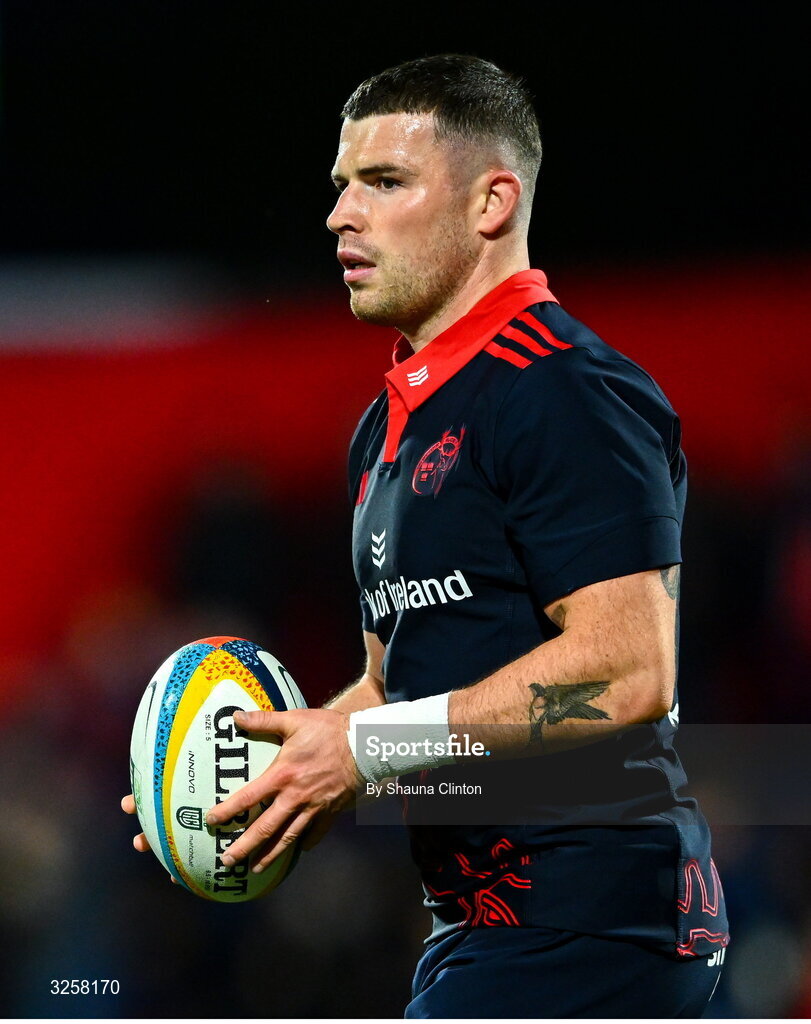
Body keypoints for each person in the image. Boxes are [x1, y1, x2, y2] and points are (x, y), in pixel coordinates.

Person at [124, 54, 729, 1017]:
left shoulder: (564, 388)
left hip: (599, 924)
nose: (339, 215)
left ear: (492, 202)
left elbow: (626, 667)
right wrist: (280, 780)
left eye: (384, 181)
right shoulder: (385, 427)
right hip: (481, 930)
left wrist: (362, 749)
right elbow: (391, 680)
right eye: (339, 186)